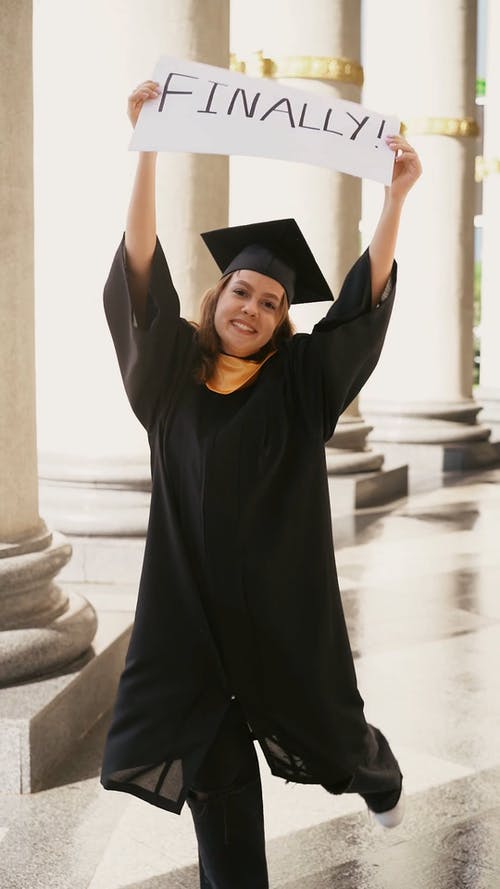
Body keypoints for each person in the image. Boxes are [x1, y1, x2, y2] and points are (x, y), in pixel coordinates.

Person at [100, 80, 422, 888]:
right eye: (243, 290)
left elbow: (357, 310)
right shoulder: (168, 373)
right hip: (193, 630)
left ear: (284, 321)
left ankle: (376, 772)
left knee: (336, 741)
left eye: (272, 302)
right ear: (219, 295)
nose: (253, 306)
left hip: (282, 619)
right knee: (224, 813)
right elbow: (139, 273)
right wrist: (146, 147)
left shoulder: (301, 384)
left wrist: (396, 197)